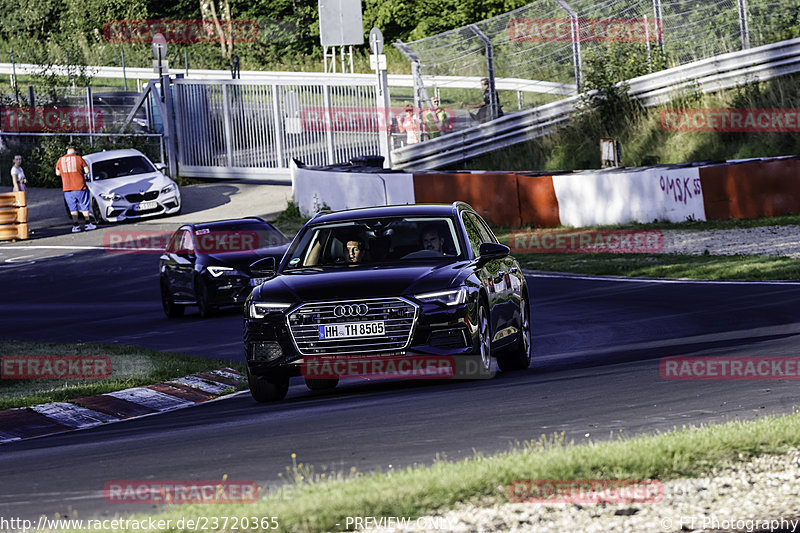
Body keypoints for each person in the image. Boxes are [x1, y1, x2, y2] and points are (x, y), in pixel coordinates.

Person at [56, 146, 95, 232]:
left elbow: (57, 173)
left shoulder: (60, 160)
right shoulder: (79, 159)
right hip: (80, 187)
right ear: (75, 152)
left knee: (72, 208)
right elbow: (87, 170)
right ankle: (88, 223)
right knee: (84, 205)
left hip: (67, 188)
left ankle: (76, 225)